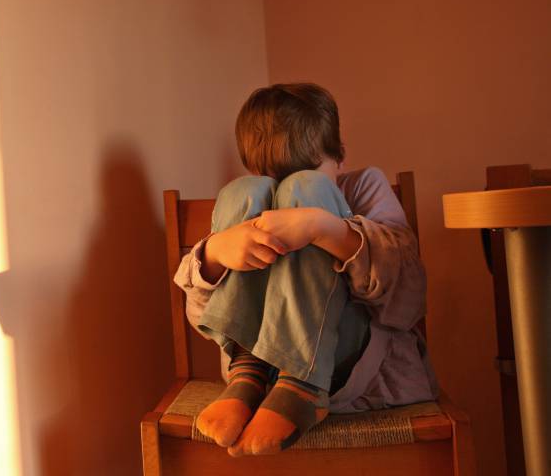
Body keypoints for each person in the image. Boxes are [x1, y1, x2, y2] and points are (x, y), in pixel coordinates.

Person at [173, 83, 436, 456]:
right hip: (259, 382)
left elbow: (410, 296)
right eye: (279, 183)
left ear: (340, 156)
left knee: (308, 192)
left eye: (302, 176)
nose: (286, 194)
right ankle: (248, 372)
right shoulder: (252, 197)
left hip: (353, 369)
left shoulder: (364, 186)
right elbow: (202, 315)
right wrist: (217, 252)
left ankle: (302, 386)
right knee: (240, 193)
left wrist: (322, 227)